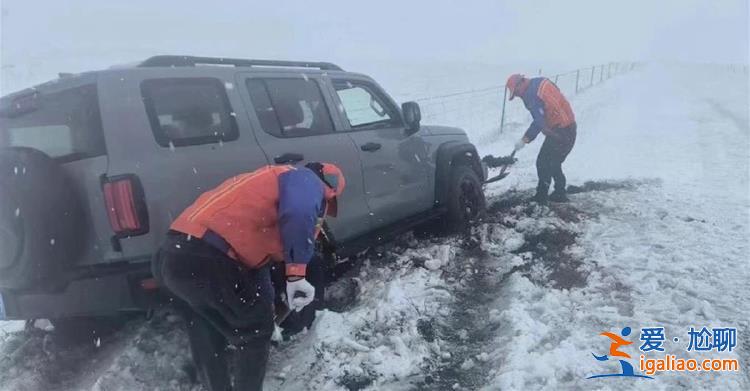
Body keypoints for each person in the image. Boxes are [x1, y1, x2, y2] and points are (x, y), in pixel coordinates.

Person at [152, 162, 345, 391]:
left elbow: (260, 259)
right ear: (327, 186)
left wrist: (271, 297)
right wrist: (296, 275)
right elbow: (299, 213)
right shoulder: (305, 179)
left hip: (173, 257)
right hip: (208, 257)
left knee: (205, 330)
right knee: (254, 333)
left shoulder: (263, 183)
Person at [506, 73, 577, 203]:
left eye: (516, 93)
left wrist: (525, 139)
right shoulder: (539, 82)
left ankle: (541, 196)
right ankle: (560, 192)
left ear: (521, 83)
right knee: (554, 162)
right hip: (570, 128)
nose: (518, 96)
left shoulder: (531, 94)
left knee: (543, 162)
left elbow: (539, 121)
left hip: (561, 131)